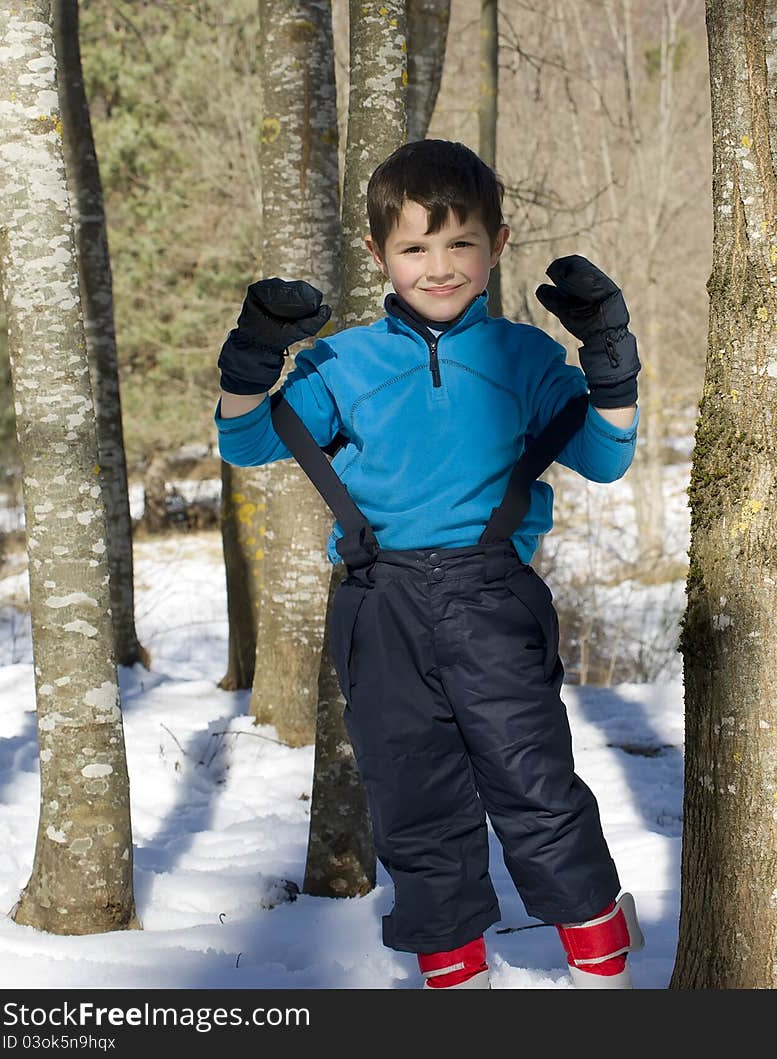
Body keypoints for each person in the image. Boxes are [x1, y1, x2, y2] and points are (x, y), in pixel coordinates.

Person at [214, 139, 644, 989]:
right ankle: (458, 982)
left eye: (460, 245)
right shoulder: (343, 362)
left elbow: (604, 457)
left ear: (498, 245)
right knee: (415, 804)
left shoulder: (522, 358)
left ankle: (602, 974)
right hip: (381, 607)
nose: (439, 267)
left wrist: (610, 359)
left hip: (493, 600)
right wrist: (253, 357)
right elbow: (248, 437)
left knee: (537, 789)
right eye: (414, 247)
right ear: (378, 254)